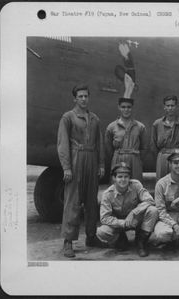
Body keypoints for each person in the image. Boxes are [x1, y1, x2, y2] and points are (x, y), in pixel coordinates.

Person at [57, 84, 105, 258]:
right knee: (73, 201)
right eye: (80, 96)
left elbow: (99, 143)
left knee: (92, 201)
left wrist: (101, 164)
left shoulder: (94, 119)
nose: (84, 99)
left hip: (92, 159)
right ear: (74, 99)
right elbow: (62, 145)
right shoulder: (68, 117)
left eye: (86, 96)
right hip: (76, 159)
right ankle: (68, 241)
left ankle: (91, 236)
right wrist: (67, 167)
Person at [96, 162, 158, 257]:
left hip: (135, 219)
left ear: (130, 178)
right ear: (114, 178)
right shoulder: (108, 194)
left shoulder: (136, 185)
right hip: (118, 223)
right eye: (120, 177)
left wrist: (134, 212)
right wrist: (123, 223)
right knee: (101, 232)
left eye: (126, 176)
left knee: (153, 210)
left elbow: (150, 200)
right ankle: (120, 238)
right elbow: (104, 218)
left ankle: (141, 242)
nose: (123, 180)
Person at [105, 97, 147, 181]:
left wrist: (136, 158)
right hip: (118, 158)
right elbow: (108, 148)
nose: (126, 109)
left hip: (135, 159)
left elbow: (144, 148)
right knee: (118, 185)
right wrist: (116, 156)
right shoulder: (112, 127)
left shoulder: (140, 127)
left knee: (135, 185)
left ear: (132, 108)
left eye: (129, 107)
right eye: (123, 107)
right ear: (119, 108)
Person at [151, 95, 179, 180]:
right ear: (164, 107)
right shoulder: (157, 124)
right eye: (168, 106)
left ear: (176, 107)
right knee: (162, 182)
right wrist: (160, 157)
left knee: (178, 182)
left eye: (172, 105)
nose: (170, 108)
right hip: (163, 157)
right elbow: (153, 145)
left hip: (178, 157)